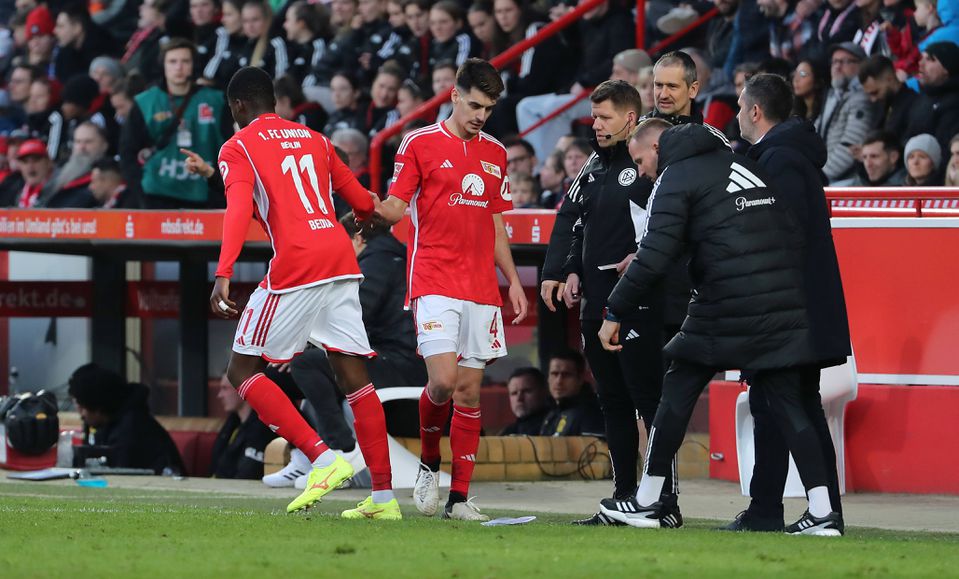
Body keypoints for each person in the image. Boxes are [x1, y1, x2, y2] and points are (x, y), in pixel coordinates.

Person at [597, 118, 845, 536]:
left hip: (728, 302)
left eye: (640, 161)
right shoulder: (739, 163)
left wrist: (613, 311)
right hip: (782, 298)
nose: (641, 172)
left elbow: (653, 256)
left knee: (677, 387)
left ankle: (646, 501)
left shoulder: (677, 175)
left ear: (657, 147)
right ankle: (823, 513)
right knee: (788, 403)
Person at [212, 66, 399, 520]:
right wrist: (363, 217)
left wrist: (223, 272)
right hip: (338, 257)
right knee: (354, 377)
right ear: (273, 101)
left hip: (296, 261)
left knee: (241, 368)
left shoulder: (237, 146)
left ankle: (322, 458)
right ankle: (382, 499)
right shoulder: (316, 139)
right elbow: (359, 201)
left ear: (237, 107)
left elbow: (238, 208)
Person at [373, 58, 529, 521]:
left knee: (469, 394)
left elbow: (495, 222)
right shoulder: (418, 143)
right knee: (441, 381)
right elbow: (398, 207)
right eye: (475, 105)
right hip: (434, 279)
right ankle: (429, 462)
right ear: (454, 97)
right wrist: (367, 210)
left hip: (481, 286)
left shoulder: (496, 152)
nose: (481, 116)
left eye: (490, 108)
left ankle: (459, 498)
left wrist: (514, 281)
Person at [727, 73, 851, 533]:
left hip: (786, 311)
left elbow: (781, 236)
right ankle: (772, 510)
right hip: (797, 310)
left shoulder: (779, 162)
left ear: (756, 111)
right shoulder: (788, 157)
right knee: (778, 404)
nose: (737, 115)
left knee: (788, 404)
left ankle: (820, 512)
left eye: (741, 107)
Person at [552, 79, 678, 526]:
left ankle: (666, 503)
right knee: (613, 403)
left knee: (649, 401)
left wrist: (641, 258)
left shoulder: (648, 163)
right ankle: (624, 497)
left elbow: (667, 227)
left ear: (629, 119)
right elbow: (575, 221)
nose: (596, 125)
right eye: (594, 116)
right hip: (594, 303)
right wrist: (566, 268)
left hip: (636, 303)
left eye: (604, 117)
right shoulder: (593, 165)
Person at [119, 39, 229, 209]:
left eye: (185, 61)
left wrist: (218, 186)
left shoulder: (216, 100)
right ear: (163, 65)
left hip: (204, 195)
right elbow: (127, 151)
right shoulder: (145, 102)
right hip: (156, 194)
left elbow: (230, 147)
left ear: (194, 65)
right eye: (172, 61)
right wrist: (140, 186)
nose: (179, 67)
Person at [68, 363, 185, 475]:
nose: (81, 415)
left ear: (98, 408)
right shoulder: (109, 425)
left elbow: (118, 478)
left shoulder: (131, 431)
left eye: (82, 408)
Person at [815, 42, 876, 183]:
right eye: (835, 62)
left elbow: (850, 146)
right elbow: (814, 133)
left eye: (845, 62)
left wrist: (820, 175)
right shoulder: (832, 96)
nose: (837, 66)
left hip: (847, 180)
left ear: (861, 66)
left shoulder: (862, 98)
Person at [210, 372, 277, 479]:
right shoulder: (233, 422)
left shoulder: (262, 427)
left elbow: (248, 473)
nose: (219, 395)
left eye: (225, 388)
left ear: (243, 388)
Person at [539, 351, 604, 437]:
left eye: (566, 375)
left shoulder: (592, 413)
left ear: (580, 379)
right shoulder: (551, 412)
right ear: (548, 378)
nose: (559, 381)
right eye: (554, 374)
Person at [838, 130, 906, 186]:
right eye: (864, 157)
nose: (868, 164)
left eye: (874, 156)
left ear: (893, 157)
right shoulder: (858, 184)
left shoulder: (906, 188)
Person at [500, 367, 550, 436]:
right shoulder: (508, 432)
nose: (519, 398)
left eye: (526, 391)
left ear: (544, 391)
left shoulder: (552, 427)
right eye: (514, 393)